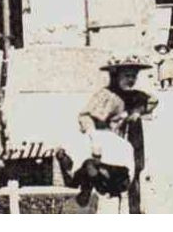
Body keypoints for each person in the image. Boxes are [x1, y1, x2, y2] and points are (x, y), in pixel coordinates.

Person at [63, 54, 156, 212]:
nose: (131, 80)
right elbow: (85, 116)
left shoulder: (135, 95)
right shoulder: (107, 96)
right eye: (127, 76)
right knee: (108, 187)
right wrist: (94, 138)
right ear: (116, 75)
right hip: (111, 148)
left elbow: (152, 101)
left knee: (135, 180)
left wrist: (135, 112)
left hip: (133, 143)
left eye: (134, 76)